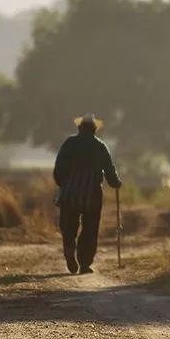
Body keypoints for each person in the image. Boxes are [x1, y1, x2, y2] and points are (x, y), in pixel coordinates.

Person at [53, 114, 122, 274]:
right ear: (94, 129)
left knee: (68, 225)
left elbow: (58, 170)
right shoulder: (100, 146)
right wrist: (116, 183)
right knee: (90, 228)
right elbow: (109, 171)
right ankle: (84, 263)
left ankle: (69, 248)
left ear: (79, 128)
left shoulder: (69, 144)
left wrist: (64, 184)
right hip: (92, 193)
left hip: (70, 193)